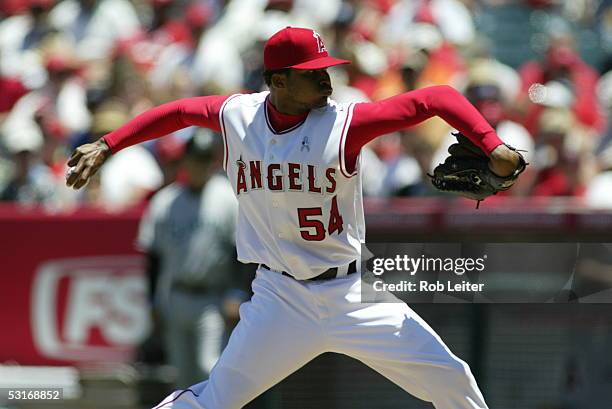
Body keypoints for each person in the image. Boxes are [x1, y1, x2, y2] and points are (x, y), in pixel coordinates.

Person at [66, 27, 522, 409]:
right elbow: (179, 111)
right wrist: (108, 144)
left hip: (352, 294)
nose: (326, 80)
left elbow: (436, 96)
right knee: (216, 400)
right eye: (311, 74)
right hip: (279, 299)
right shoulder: (237, 117)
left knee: (452, 381)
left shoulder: (345, 123)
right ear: (278, 81)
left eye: (325, 69)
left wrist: (491, 144)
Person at [137, 131, 245, 388]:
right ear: (185, 161)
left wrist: (237, 292)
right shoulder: (165, 201)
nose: (199, 165)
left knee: (209, 368)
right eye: (195, 159)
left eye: (204, 160)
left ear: (212, 162)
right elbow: (153, 257)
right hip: (175, 296)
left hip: (212, 299)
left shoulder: (227, 198)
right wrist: (153, 301)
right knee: (180, 375)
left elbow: (242, 251)